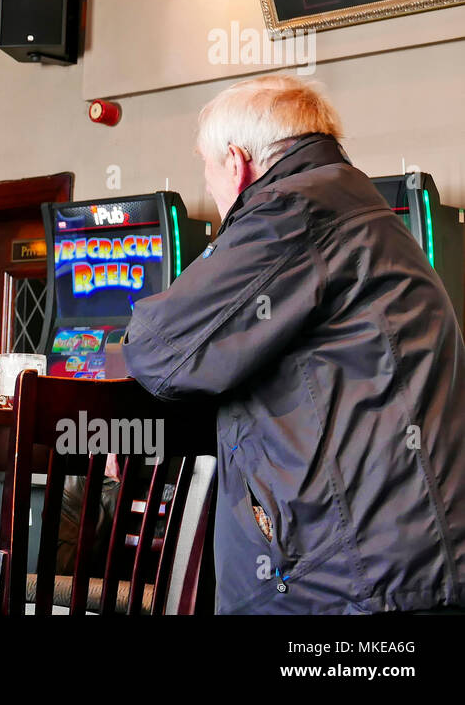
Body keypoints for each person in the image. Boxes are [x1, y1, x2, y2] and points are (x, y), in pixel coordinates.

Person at [122, 75, 465, 614]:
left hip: (347, 585)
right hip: (406, 567)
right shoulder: (359, 206)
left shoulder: (290, 210)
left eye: (208, 170)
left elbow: (158, 348)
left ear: (236, 163)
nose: (212, 189)